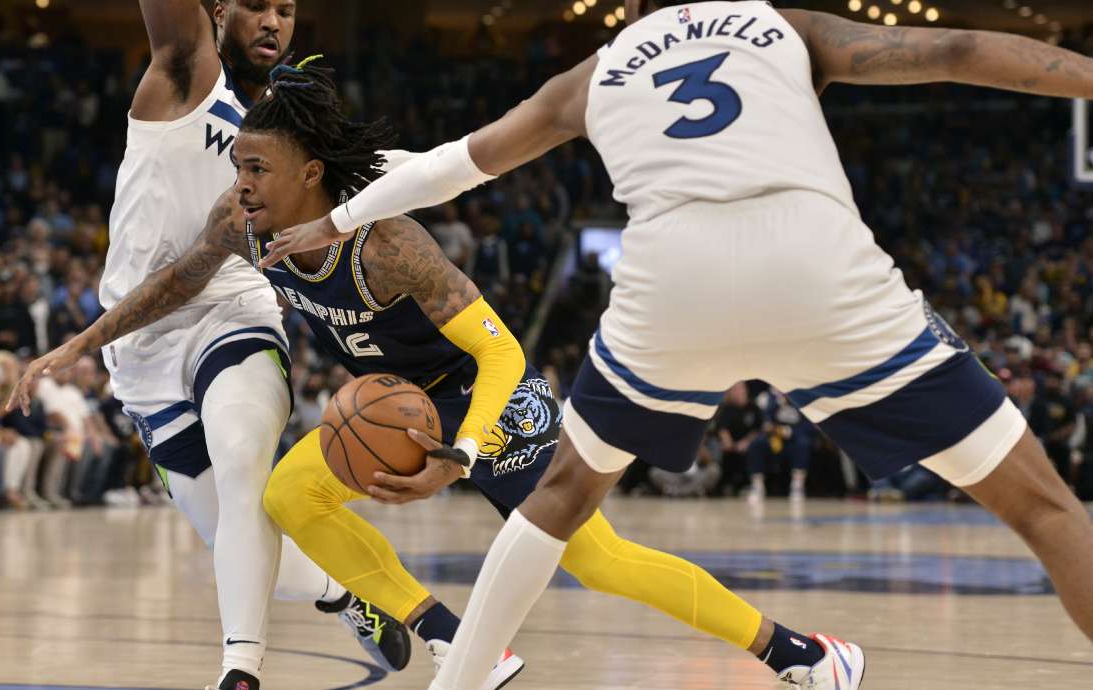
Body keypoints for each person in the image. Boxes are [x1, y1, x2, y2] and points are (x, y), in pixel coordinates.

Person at [265, 3, 1093, 688]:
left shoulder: (595, 74)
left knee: (559, 502)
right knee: (1046, 509)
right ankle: (792, 653)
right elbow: (955, 50)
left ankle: (466, 671)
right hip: (816, 265)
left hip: (675, 283)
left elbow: (454, 165)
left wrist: (338, 218)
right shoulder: (785, 26)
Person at [13, 61, 851, 690]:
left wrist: (465, 452)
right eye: (239, 167)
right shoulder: (244, 221)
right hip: (399, 404)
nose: (241, 184)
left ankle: (801, 653)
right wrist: (79, 343)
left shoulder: (387, 243)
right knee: (288, 497)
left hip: (490, 401)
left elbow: (503, 354)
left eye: (257, 168)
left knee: (598, 561)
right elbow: (177, 280)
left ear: (310, 174)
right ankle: (449, 633)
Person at [8, 1, 409, 686]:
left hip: (232, 311)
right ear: (219, 11)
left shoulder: (288, 132)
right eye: (258, 6)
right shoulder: (188, 74)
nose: (273, 22)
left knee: (243, 468)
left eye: (287, 10)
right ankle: (345, 596)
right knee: (237, 535)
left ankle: (239, 670)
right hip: (140, 344)